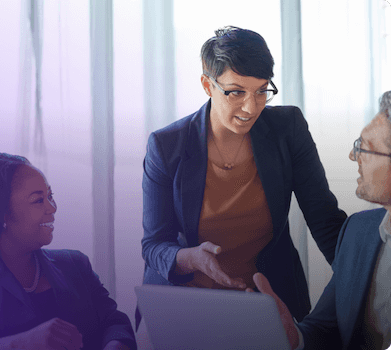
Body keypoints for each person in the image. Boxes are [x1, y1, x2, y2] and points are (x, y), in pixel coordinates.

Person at [139, 26, 347, 327]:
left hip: (267, 300)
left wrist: (366, 282)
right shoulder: (167, 145)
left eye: (262, 91)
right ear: (207, 86)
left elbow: (325, 221)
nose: (252, 107)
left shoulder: (287, 129)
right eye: (236, 92)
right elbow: (154, 244)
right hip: (184, 302)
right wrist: (190, 258)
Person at [0, 153, 136, 350]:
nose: (52, 208)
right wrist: (22, 343)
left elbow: (114, 323)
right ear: (1, 214)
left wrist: (115, 345)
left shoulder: (76, 265)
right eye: (38, 200)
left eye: (50, 196)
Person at [255, 91, 391, 350]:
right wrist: (294, 335)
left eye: (364, 147)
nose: (354, 156)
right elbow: (324, 329)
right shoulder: (357, 233)